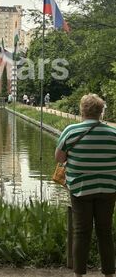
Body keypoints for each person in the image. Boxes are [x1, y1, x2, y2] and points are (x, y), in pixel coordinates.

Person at [55, 94, 116, 277]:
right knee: (105, 232)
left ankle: (79, 274)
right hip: (108, 189)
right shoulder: (113, 133)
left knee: (81, 232)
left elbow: (59, 158)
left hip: (80, 188)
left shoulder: (71, 131)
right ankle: (109, 274)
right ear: (101, 112)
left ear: (82, 111)